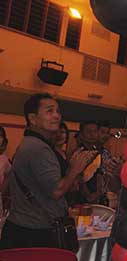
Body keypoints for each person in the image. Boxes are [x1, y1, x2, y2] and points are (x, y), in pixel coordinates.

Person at [0, 94, 96, 249]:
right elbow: (56, 191)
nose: (56, 116)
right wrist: (74, 169)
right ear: (33, 118)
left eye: (58, 111)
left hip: (28, 227)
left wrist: (74, 169)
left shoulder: (35, 144)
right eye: (50, 111)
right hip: (33, 231)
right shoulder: (38, 148)